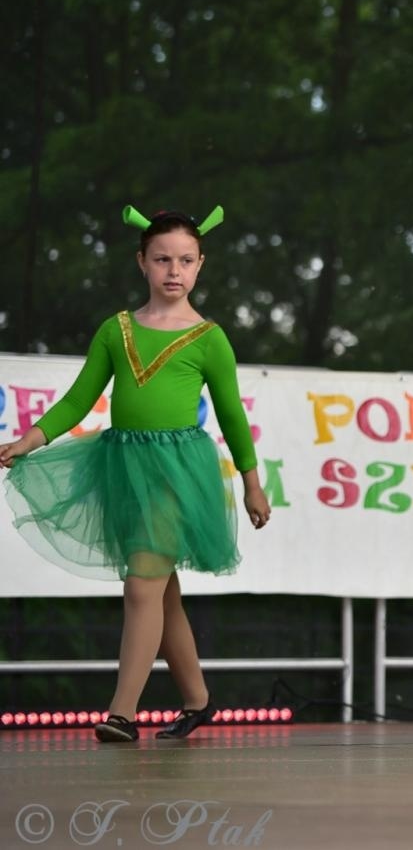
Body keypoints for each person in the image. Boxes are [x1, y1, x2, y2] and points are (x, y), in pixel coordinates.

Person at [1, 206, 271, 743]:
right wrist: (29, 440)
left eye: (186, 260)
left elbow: (232, 416)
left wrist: (252, 484)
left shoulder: (208, 338)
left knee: (141, 584)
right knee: (161, 592)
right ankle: (198, 700)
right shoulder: (117, 329)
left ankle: (121, 713)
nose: (175, 271)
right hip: (123, 466)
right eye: (163, 259)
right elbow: (79, 399)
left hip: (177, 471)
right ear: (141, 262)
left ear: (200, 265)